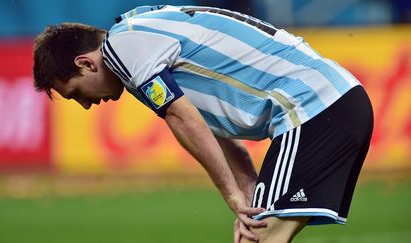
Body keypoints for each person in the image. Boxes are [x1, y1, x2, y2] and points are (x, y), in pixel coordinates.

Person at [33, 5, 374, 243]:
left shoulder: (120, 47)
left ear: (85, 63)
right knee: (256, 234)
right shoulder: (138, 37)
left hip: (314, 107)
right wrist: (247, 188)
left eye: (76, 93)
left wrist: (231, 196)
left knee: (260, 236)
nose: (87, 105)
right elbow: (210, 123)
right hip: (332, 103)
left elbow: (184, 118)